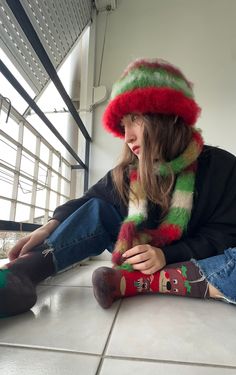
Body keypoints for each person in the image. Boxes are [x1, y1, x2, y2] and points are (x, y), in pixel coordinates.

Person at [0, 58, 236, 318]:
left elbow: (224, 234)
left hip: (192, 258)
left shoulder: (222, 167)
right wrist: (48, 226)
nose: (128, 137)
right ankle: (23, 273)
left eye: (134, 120)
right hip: (137, 254)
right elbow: (89, 202)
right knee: (99, 210)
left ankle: (143, 281)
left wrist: (167, 254)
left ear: (169, 116)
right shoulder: (128, 172)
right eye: (124, 126)